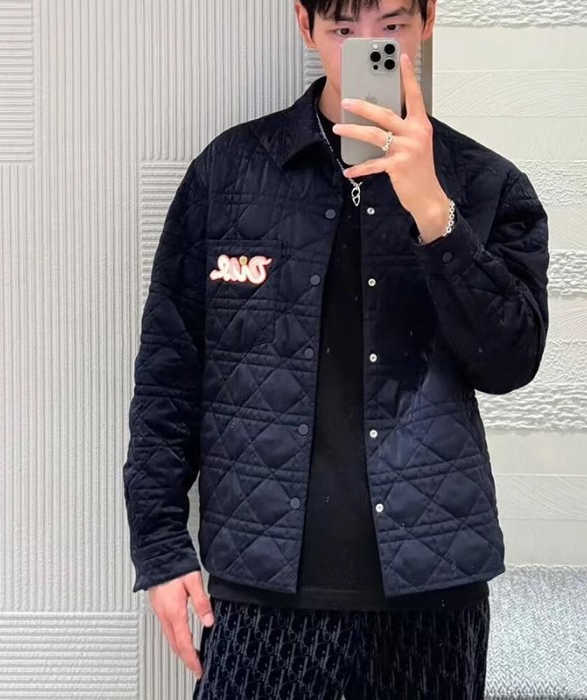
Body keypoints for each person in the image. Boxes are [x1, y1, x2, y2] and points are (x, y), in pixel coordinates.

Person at [122, 0, 549, 697]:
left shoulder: (486, 184)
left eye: (393, 25)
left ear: (429, 19)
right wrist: (161, 545)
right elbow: (170, 375)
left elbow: (510, 361)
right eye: (344, 30)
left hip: (432, 590)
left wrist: (434, 213)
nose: (367, 49)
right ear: (304, 24)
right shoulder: (229, 174)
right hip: (259, 587)